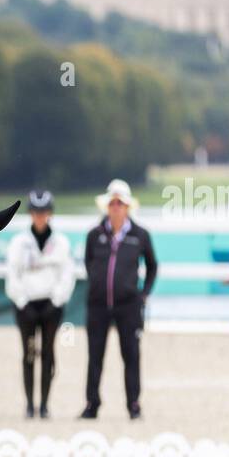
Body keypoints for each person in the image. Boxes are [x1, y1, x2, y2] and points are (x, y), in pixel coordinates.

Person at [82, 178, 157, 420]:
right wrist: (97, 283)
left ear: (128, 207)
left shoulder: (140, 235)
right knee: (95, 356)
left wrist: (143, 294)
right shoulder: (94, 234)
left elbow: (153, 266)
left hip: (128, 306)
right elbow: (88, 262)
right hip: (98, 305)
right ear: (106, 205)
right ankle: (92, 404)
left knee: (132, 356)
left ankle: (133, 405)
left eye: (120, 203)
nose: (116, 207)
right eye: (112, 202)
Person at [5, 189, 75, 418]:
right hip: (26, 306)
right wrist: (22, 301)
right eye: (36, 212)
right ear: (30, 214)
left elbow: (67, 275)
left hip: (51, 306)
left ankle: (44, 405)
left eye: (44, 212)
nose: (40, 216)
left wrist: (56, 301)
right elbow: (12, 275)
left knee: (48, 352)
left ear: (50, 213)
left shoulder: (61, 242)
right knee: (28, 353)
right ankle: (29, 405)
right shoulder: (19, 242)